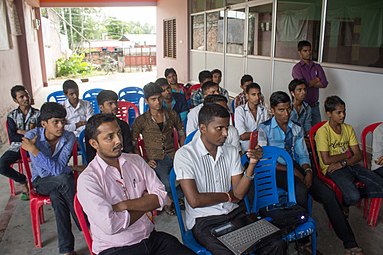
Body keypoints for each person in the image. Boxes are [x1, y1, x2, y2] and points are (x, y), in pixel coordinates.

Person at [258, 92, 364, 255]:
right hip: (276, 170)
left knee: (328, 195)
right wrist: (293, 171)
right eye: (280, 110)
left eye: (288, 109)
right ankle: (303, 241)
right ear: (272, 110)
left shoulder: (296, 128)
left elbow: (302, 155)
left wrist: (307, 170)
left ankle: (350, 244)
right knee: (301, 190)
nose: (285, 114)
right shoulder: (264, 129)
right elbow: (266, 160)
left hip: (297, 167)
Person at [174, 103, 287, 255]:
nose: (226, 133)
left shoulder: (231, 151)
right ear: (203, 128)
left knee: (276, 242)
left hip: (233, 213)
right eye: (219, 128)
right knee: (231, 252)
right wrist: (228, 195)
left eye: (227, 127)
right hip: (205, 220)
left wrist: (252, 164)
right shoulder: (185, 155)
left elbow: (239, 194)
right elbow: (195, 200)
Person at [77, 114, 195, 255]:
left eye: (119, 133)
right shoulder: (88, 179)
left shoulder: (136, 161)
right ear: (94, 144)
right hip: (115, 248)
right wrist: (146, 203)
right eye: (109, 137)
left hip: (150, 238)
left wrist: (123, 205)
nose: (118, 141)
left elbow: (162, 197)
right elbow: (111, 225)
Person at [22, 102, 79, 255]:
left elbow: (59, 168)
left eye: (63, 121)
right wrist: (69, 169)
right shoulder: (31, 136)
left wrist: (35, 151)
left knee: (57, 195)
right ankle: (86, 225)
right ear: (44, 123)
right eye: (55, 122)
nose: (60, 125)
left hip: (60, 183)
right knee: (65, 180)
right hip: (41, 182)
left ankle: (67, 250)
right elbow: (43, 173)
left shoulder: (69, 137)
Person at [315, 96, 383, 208]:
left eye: (344, 111)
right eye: (339, 112)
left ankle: (344, 197)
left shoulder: (348, 128)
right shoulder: (322, 132)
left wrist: (343, 162)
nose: (343, 115)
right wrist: (347, 154)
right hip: (332, 169)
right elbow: (326, 160)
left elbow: (358, 155)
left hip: (349, 164)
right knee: (353, 196)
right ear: (329, 114)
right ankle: (346, 200)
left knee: (379, 184)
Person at [132, 82, 186, 215]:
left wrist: (183, 149)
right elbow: (133, 142)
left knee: (186, 174)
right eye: (153, 99)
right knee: (167, 182)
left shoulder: (171, 114)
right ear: (147, 101)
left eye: (159, 98)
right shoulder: (141, 120)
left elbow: (181, 131)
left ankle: (171, 200)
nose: (157, 102)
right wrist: (143, 160)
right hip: (155, 158)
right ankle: (176, 199)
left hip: (173, 154)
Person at [0, 85, 40, 200]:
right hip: (17, 147)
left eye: (26, 95)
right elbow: (13, 137)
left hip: (34, 146)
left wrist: (21, 131)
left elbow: (39, 133)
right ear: (15, 100)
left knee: (41, 161)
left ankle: (38, 185)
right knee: (1, 165)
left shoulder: (37, 114)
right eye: (21, 97)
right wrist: (29, 134)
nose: (26, 99)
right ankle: (22, 180)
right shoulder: (11, 116)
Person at [85, 90, 133, 163]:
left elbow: (128, 150)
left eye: (116, 102)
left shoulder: (123, 125)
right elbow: (91, 156)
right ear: (101, 107)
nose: (115, 106)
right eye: (110, 104)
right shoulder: (94, 127)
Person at [292, 40, 328, 126]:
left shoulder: (317, 66)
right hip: (302, 106)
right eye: (305, 51)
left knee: (317, 131)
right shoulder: (297, 68)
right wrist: (316, 79)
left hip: (314, 106)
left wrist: (308, 83)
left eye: (309, 50)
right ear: (300, 53)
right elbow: (302, 85)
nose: (308, 53)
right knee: (302, 131)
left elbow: (324, 83)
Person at [234, 82, 270, 152]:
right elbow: (242, 136)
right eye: (253, 94)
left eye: (259, 94)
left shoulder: (264, 110)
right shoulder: (240, 110)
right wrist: (261, 134)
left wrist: (252, 135)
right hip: (246, 149)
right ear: (247, 96)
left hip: (263, 148)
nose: (257, 97)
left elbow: (269, 132)